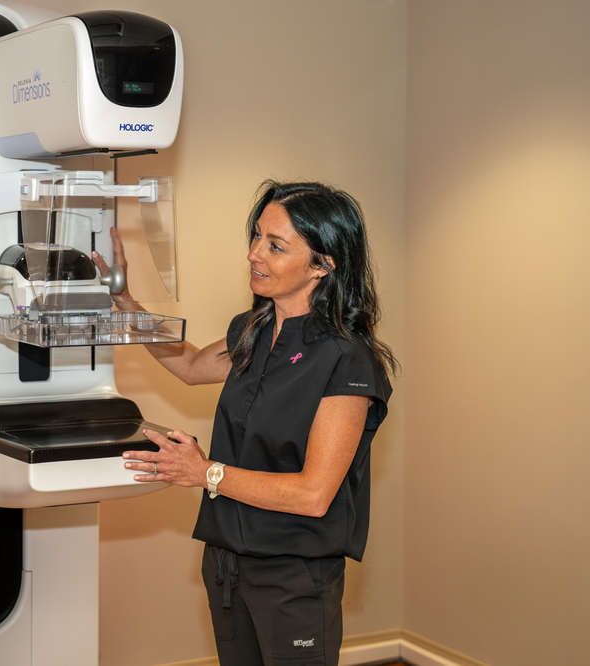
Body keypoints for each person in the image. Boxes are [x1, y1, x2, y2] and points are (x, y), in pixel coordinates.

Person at [93, 180, 395, 666]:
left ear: (323, 264)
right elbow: (190, 364)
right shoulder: (256, 328)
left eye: (276, 246)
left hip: (293, 576)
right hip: (227, 564)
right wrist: (126, 301)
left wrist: (205, 472)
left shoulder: (347, 359)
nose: (254, 253)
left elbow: (313, 494)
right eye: (256, 236)